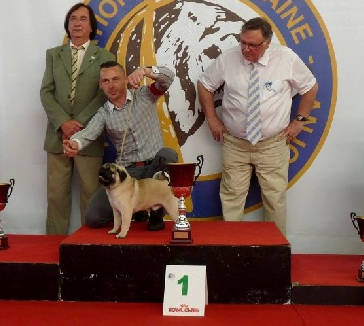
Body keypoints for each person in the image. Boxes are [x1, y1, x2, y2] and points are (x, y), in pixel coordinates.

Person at [197, 16, 318, 235]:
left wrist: (300, 120)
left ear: (267, 43)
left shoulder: (286, 58)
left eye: (252, 45)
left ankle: (275, 254)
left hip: (273, 143)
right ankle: (230, 252)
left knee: (275, 199)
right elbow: (205, 84)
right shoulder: (228, 58)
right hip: (235, 143)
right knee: (232, 198)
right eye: (243, 42)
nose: (245, 49)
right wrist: (212, 119)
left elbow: (310, 86)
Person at [63, 61, 177, 231]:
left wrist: (145, 71)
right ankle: (136, 211)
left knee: (168, 154)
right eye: (106, 81)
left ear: (125, 79)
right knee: (93, 218)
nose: (111, 85)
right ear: (101, 85)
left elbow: (168, 78)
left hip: (154, 166)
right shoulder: (103, 113)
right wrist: (74, 143)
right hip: (126, 173)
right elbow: (88, 134)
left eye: (115, 79)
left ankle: (156, 215)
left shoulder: (145, 95)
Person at [40, 2, 115, 235]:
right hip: (57, 136)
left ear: (91, 26)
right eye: (73, 18)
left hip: (89, 136)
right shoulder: (54, 55)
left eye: (83, 19)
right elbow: (46, 92)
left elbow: (105, 94)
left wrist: (78, 124)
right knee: (56, 196)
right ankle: (53, 246)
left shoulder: (104, 56)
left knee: (91, 196)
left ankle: (87, 247)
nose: (77, 23)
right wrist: (63, 122)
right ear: (67, 25)